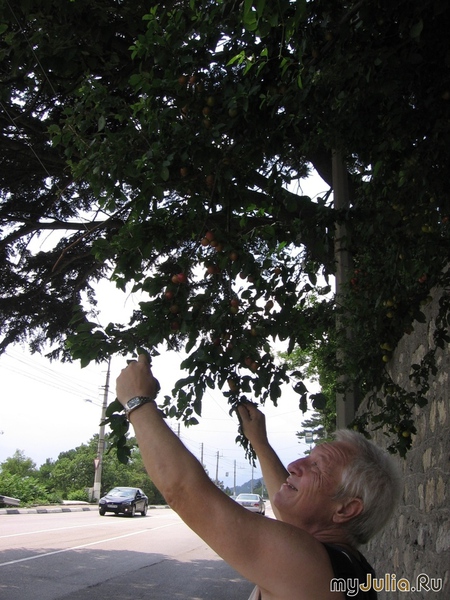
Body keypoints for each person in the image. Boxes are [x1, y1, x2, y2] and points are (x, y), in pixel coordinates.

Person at [116, 354, 401, 600]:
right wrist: (259, 442)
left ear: (346, 509)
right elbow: (287, 499)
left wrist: (137, 401)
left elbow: (184, 491)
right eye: (308, 457)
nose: (295, 465)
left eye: (317, 467)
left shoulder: (306, 564)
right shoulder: (346, 568)